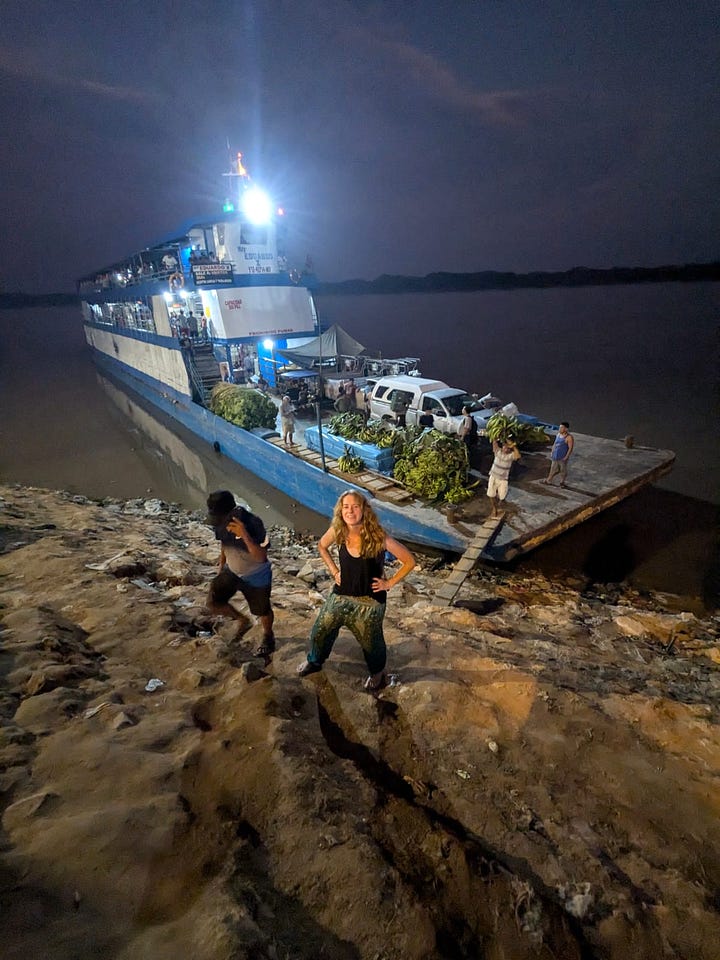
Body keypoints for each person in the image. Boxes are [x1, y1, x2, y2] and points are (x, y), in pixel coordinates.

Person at [297, 491, 416, 691]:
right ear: (340, 510)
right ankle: (315, 661)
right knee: (320, 630)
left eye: (355, 506)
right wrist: (334, 571)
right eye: (346, 507)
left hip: (370, 602)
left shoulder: (378, 536)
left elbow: (410, 561)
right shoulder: (339, 530)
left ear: (364, 510)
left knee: (372, 644)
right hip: (341, 594)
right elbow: (321, 546)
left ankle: (377, 675)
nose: (350, 511)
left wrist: (389, 583)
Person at [206, 490, 275, 658]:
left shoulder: (254, 524)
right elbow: (224, 544)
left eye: (220, 518)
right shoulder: (220, 523)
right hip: (232, 571)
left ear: (230, 512)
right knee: (213, 602)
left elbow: (260, 557)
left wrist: (244, 535)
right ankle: (242, 620)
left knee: (262, 610)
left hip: (256, 576)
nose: (219, 523)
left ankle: (268, 635)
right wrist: (222, 565)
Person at [487, 438, 521, 518]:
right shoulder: (497, 451)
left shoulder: (511, 455)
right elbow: (494, 441)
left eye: (508, 448)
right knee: (491, 494)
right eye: (505, 447)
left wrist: (513, 445)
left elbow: (518, 455)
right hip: (493, 476)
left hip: (503, 479)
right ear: (502, 447)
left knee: (502, 497)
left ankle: (499, 502)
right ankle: (494, 508)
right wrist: (496, 437)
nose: (506, 449)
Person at [542, 422, 574, 487]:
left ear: (566, 429)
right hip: (555, 456)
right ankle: (549, 480)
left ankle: (562, 482)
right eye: (560, 427)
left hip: (562, 457)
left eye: (561, 427)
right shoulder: (558, 434)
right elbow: (555, 444)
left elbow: (570, 448)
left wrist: (566, 457)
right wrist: (552, 452)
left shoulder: (569, 437)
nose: (560, 429)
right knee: (553, 469)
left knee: (563, 470)